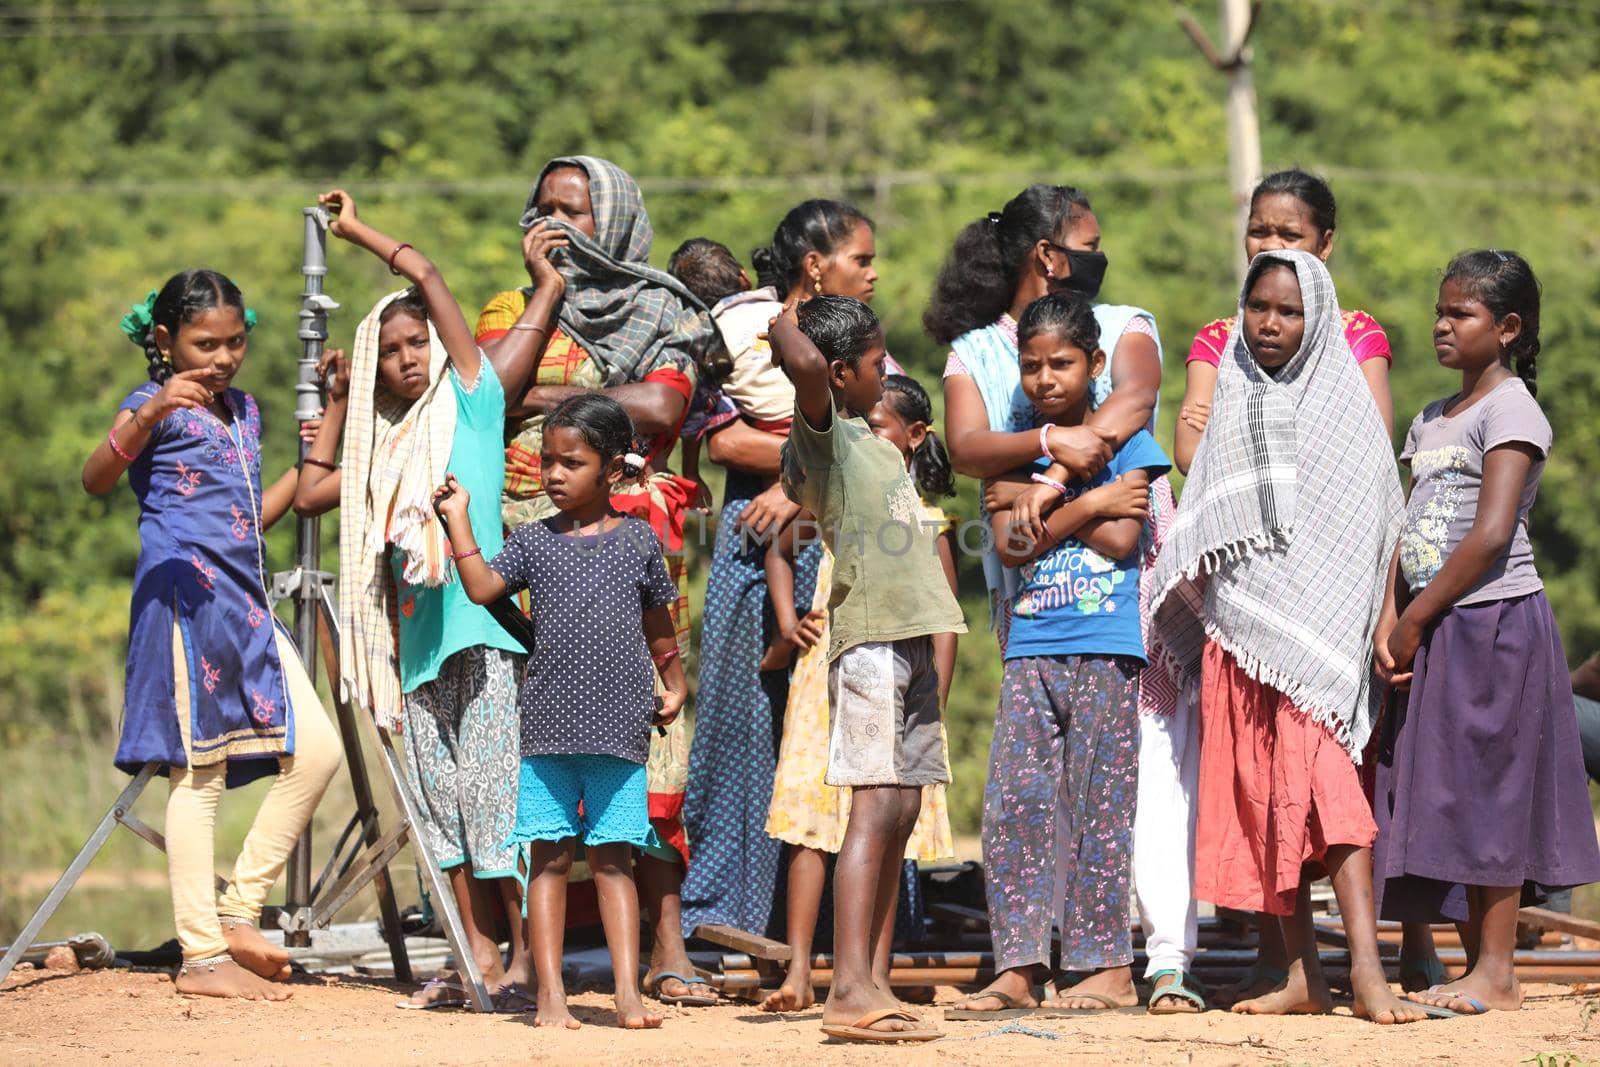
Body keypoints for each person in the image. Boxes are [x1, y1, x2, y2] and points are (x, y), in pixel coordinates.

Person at [929, 184, 1199, 1012]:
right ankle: (1018, 962)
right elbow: (1007, 537)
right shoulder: (994, 389)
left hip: (1113, 639)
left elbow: (1125, 536)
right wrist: (1081, 498)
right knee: (1015, 805)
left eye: (1063, 366)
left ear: (1092, 365)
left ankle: (1106, 964)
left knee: (1102, 800)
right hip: (1031, 641)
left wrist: (1041, 500)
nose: (1045, 379)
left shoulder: (1132, 397)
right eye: (1034, 366)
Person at [293, 190, 563, 1010]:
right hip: (411, 657)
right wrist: (340, 400)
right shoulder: (386, 449)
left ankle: (524, 959)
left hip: (481, 639)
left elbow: (426, 273)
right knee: (440, 813)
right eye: (394, 350)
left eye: (420, 342)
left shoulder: (473, 406)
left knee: (495, 809)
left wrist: (355, 230)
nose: (411, 358)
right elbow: (309, 493)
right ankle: (473, 949)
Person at [1175, 167, 1437, 1003]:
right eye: (1260, 306)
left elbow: (1376, 506)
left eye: (1288, 307)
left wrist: (1384, 611)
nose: (1272, 321)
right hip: (1247, 624)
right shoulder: (1234, 380)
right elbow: (1204, 479)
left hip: (1320, 630)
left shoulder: (1346, 377)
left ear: (1325, 255)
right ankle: (1301, 976)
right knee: (1260, 794)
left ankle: (1366, 968)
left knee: (1330, 792)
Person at [474, 156, 715, 1006]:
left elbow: (662, 411)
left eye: (572, 210)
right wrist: (544, 302)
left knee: (648, 754)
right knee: (524, 760)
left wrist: (540, 397)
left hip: (633, 540)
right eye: (540, 209)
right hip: (522, 548)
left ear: (611, 219)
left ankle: (666, 947)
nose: (554, 225)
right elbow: (483, 393)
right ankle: (516, 957)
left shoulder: (664, 312)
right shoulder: (511, 309)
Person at [82, 271, 342, 1000]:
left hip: (247, 606)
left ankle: (236, 911)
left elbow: (248, 520)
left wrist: (329, 427)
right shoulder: (150, 407)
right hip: (184, 607)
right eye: (205, 344)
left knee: (317, 750)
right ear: (164, 342)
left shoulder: (246, 411)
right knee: (199, 774)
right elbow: (95, 477)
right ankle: (200, 954)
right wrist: (155, 407)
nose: (223, 357)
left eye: (235, 342)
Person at [1374, 250, 1600, 1016]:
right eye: (1440, 310)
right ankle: (1469, 961)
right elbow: (1409, 529)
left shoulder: (1513, 411)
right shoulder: (1431, 417)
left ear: (1506, 328)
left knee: (1495, 788)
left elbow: (1490, 532)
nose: (1442, 324)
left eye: (1460, 313)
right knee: (1445, 790)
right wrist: (1388, 618)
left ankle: (1497, 971)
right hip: (1435, 623)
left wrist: (1414, 617)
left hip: (1495, 621)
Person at [435, 393, 690, 1030]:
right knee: (545, 858)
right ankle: (550, 997)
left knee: (614, 859)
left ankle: (627, 996)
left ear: (610, 469)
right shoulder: (532, 542)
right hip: (547, 731)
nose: (553, 474)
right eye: (547, 461)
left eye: (570, 462)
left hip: (621, 727)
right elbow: (484, 588)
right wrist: (457, 521)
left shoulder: (637, 540)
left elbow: (658, 624)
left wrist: (675, 680)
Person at [680, 199, 879, 939]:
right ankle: (725, 911)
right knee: (745, 715)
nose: (873, 272)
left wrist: (799, 475)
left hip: (836, 532)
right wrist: (804, 463)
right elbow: (725, 444)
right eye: (861, 259)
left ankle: (831, 928)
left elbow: (881, 430)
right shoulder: (735, 329)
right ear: (815, 265)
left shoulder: (864, 341)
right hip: (749, 534)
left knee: (833, 722)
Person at [771, 295, 966, 1043]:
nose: (888, 373)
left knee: (904, 809)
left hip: (914, 635)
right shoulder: (826, 434)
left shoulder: (874, 439)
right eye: (877, 362)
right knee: (874, 804)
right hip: (873, 640)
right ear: (842, 370)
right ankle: (847, 986)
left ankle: (872, 979)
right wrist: (782, 317)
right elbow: (805, 362)